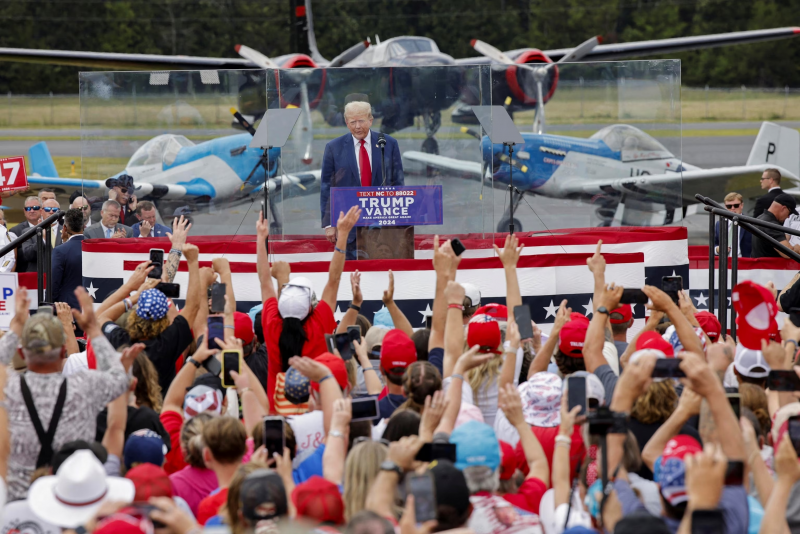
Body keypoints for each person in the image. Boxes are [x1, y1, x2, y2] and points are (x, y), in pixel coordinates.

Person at [0, 286, 137, 500]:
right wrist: (93, 331)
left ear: (21, 352)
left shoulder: (8, 388)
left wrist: (16, 329)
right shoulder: (84, 386)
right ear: (64, 349)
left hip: (19, 501)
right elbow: (121, 378)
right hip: (73, 497)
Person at [257, 207, 359, 412]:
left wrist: (261, 238)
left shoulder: (271, 324)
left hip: (278, 416)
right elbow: (334, 280)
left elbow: (265, 281)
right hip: (317, 413)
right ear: (310, 307)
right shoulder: (319, 322)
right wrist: (343, 235)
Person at [319, 100, 404, 258]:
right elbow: (326, 187)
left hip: (382, 228)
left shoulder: (388, 144)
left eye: (361, 121)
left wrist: (398, 221)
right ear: (346, 122)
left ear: (370, 120)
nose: (357, 126)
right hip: (349, 229)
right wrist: (329, 224)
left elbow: (397, 183)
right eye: (352, 122)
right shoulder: (334, 147)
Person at [51, 208, 85, 310]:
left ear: (64, 228)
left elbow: (54, 283)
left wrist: (50, 305)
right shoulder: (94, 249)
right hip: (90, 306)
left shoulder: (60, 251)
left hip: (67, 308)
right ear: (84, 226)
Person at [750, 193, 800, 258]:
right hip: (768, 266)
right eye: (789, 213)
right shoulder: (772, 225)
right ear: (783, 208)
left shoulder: (760, 218)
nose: (788, 217)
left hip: (759, 265)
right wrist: (796, 248)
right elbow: (788, 253)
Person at [10, 196, 42, 272]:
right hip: (24, 273)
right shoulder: (15, 231)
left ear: (41, 210)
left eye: (35, 208)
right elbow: (13, 257)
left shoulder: (49, 227)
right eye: (28, 208)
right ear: (24, 211)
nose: (31, 211)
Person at [715, 192, 752, 257]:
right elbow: (714, 245)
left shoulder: (750, 223)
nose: (732, 208)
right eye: (729, 206)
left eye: (736, 205)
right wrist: (718, 249)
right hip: (725, 264)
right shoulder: (719, 224)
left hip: (745, 263)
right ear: (725, 207)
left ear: (742, 205)